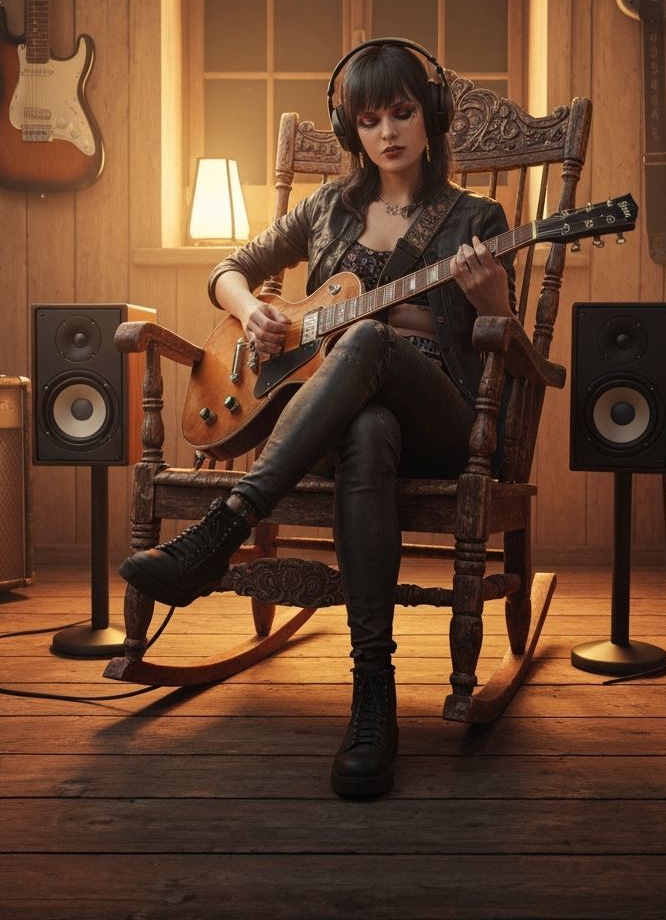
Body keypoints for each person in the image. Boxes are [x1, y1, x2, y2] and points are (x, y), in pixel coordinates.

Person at [119, 39, 514, 798]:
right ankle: (373, 694)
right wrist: (255, 310)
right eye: (370, 119)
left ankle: (222, 529)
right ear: (351, 132)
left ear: (429, 117)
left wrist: (492, 297)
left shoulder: (476, 216)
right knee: (367, 430)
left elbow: (505, 334)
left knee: (367, 337)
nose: (389, 131)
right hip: (334, 428)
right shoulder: (326, 208)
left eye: (403, 112)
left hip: (442, 418)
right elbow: (226, 272)